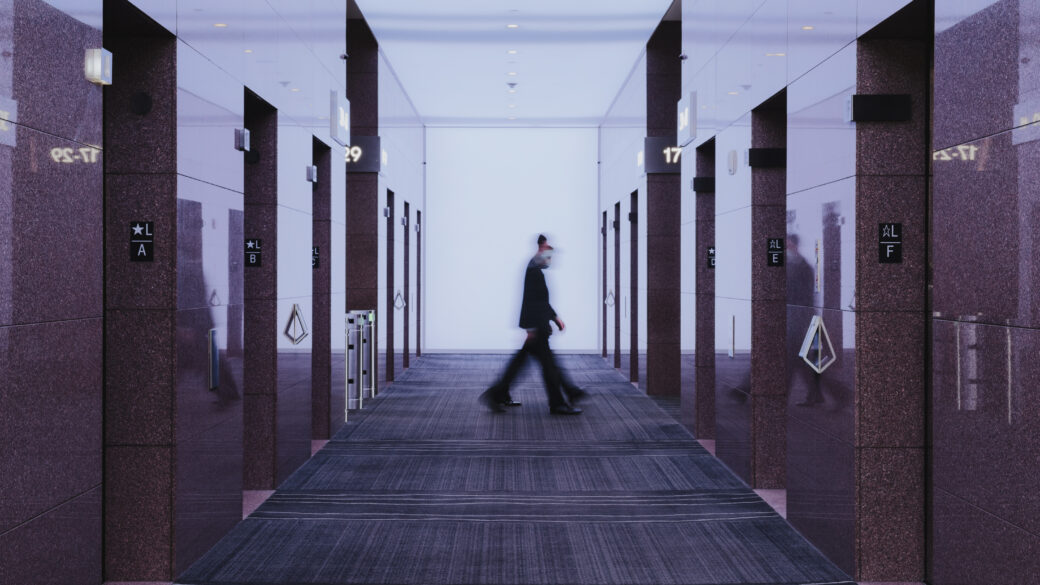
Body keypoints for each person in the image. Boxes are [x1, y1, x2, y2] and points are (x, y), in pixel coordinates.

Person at [480, 234, 587, 415]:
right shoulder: (534, 271)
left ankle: (498, 394)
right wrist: (533, 327)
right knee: (548, 366)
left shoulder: (535, 268)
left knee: (533, 363)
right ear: (540, 249)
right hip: (536, 328)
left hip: (537, 326)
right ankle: (558, 402)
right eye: (547, 252)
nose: (550, 258)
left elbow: (539, 300)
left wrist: (553, 317)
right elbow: (532, 301)